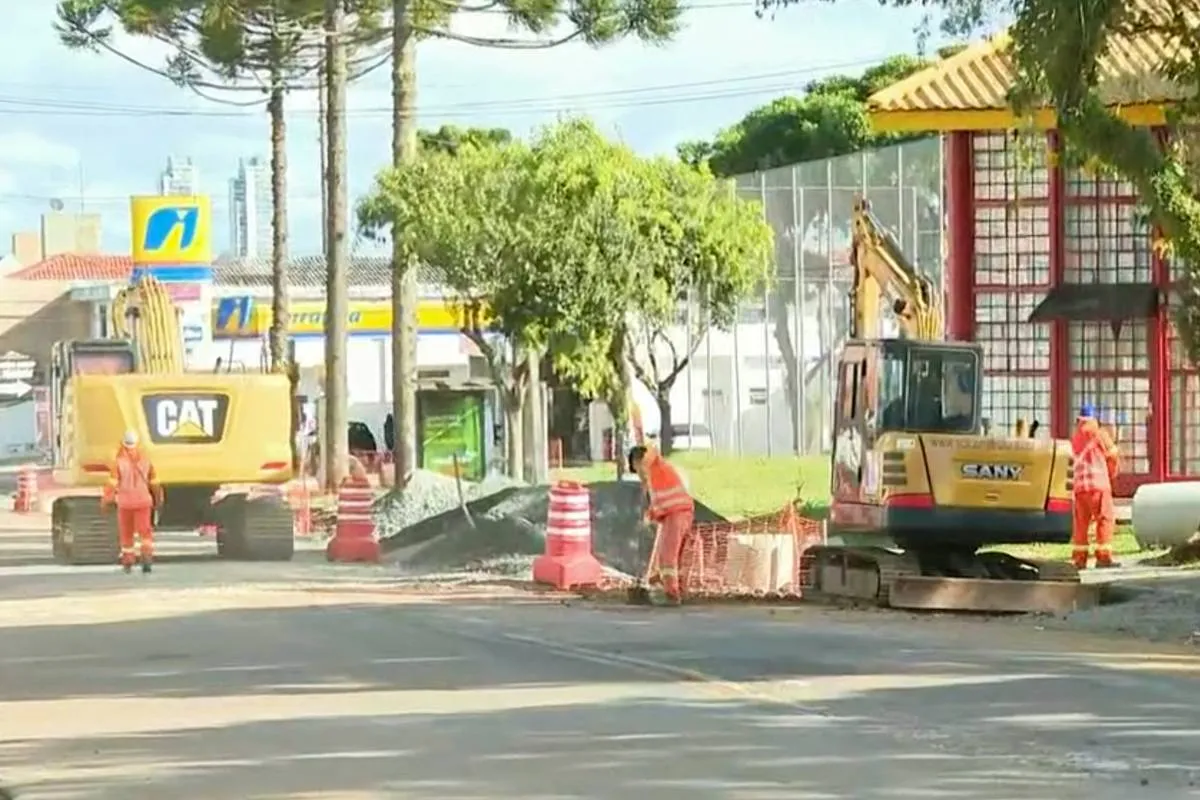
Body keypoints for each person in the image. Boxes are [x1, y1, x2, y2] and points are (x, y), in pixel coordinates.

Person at [629, 445, 695, 605]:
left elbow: (661, 500)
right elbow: (661, 498)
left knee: (667, 557)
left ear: (638, 463)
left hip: (675, 514)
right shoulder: (658, 470)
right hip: (680, 513)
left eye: (636, 470)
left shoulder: (654, 469)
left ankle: (672, 595)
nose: (639, 476)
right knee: (674, 557)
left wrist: (649, 516)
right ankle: (678, 590)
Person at [101, 430, 164, 573]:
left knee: (126, 533)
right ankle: (146, 557)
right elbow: (154, 483)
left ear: (123, 443)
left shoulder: (118, 462)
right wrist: (158, 499)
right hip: (143, 501)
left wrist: (105, 501)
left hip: (125, 503)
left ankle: (128, 561)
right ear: (137, 444)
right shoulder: (146, 461)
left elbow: (112, 484)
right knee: (145, 532)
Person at [1071, 404, 1120, 569]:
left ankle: (1079, 559)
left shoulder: (1074, 438)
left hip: (1079, 487)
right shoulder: (1100, 435)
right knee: (1105, 519)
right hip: (1098, 485)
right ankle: (1103, 557)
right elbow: (1113, 456)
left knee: (1081, 524)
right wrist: (1111, 474)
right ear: (1095, 419)